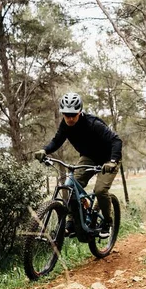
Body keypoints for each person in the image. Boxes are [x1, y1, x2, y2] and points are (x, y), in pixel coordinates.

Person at [34, 92, 122, 238]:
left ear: (79, 112)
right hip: (89, 158)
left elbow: (116, 141)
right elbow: (57, 141)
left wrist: (112, 161)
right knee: (70, 185)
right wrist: (45, 150)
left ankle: (107, 222)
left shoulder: (93, 124)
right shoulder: (65, 125)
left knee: (100, 191)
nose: (69, 118)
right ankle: (72, 222)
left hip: (108, 160)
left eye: (73, 114)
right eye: (66, 114)